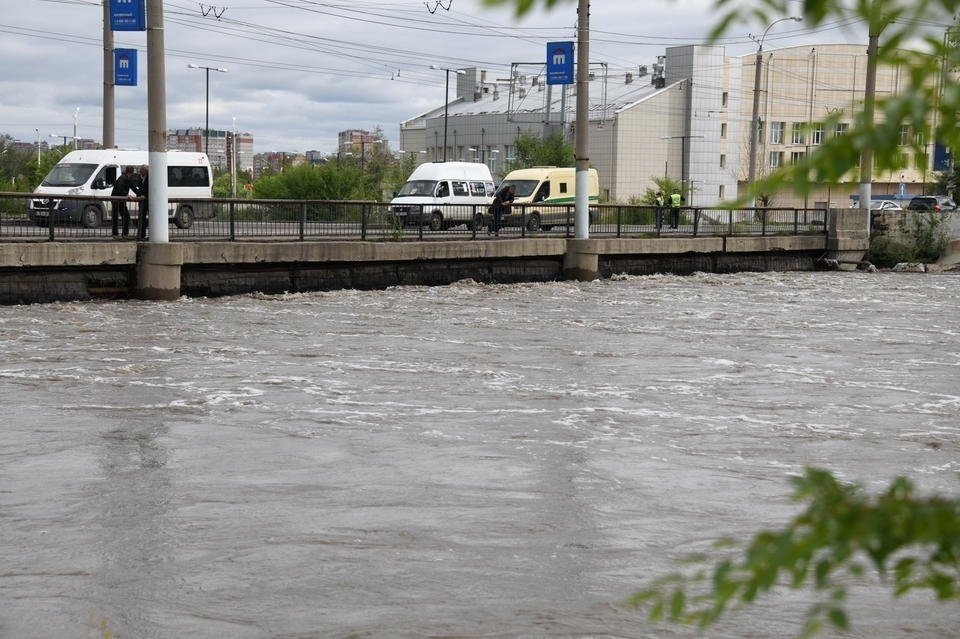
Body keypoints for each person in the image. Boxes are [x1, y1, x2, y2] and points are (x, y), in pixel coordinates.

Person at [111, 165, 138, 237]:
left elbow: (133, 188)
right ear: (131, 172)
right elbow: (120, 188)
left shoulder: (127, 178)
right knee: (119, 216)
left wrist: (139, 194)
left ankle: (120, 233)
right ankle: (120, 233)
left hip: (120, 200)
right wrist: (127, 195)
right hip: (116, 200)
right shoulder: (123, 178)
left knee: (122, 216)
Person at [135, 165, 149, 240]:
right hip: (142, 201)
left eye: (141, 170)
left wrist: (145, 196)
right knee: (141, 218)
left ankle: (142, 234)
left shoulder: (149, 177)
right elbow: (140, 188)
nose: (140, 172)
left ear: (145, 171)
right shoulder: (141, 178)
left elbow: (149, 188)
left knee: (144, 218)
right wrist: (139, 195)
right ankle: (141, 234)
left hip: (147, 201)